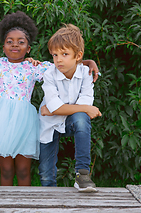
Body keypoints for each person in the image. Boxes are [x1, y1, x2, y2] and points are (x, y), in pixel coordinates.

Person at [0, 12, 99, 186]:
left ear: (28, 48)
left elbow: (65, 63)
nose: (14, 45)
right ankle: (5, 205)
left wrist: (88, 62)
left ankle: (25, 205)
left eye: (21, 42)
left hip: (23, 121)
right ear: (3, 46)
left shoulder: (34, 67)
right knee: (5, 171)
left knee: (23, 170)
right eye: (9, 41)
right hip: (1, 120)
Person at [38, 24, 102, 192]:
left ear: (78, 56)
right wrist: (54, 109)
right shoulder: (49, 74)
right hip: (50, 123)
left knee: (82, 119)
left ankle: (82, 175)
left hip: (69, 120)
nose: (59, 59)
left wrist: (55, 109)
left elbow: (83, 106)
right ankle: (49, 199)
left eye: (65, 54)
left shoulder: (86, 74)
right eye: (55, 55)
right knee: (46, 174)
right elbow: (55, 107)